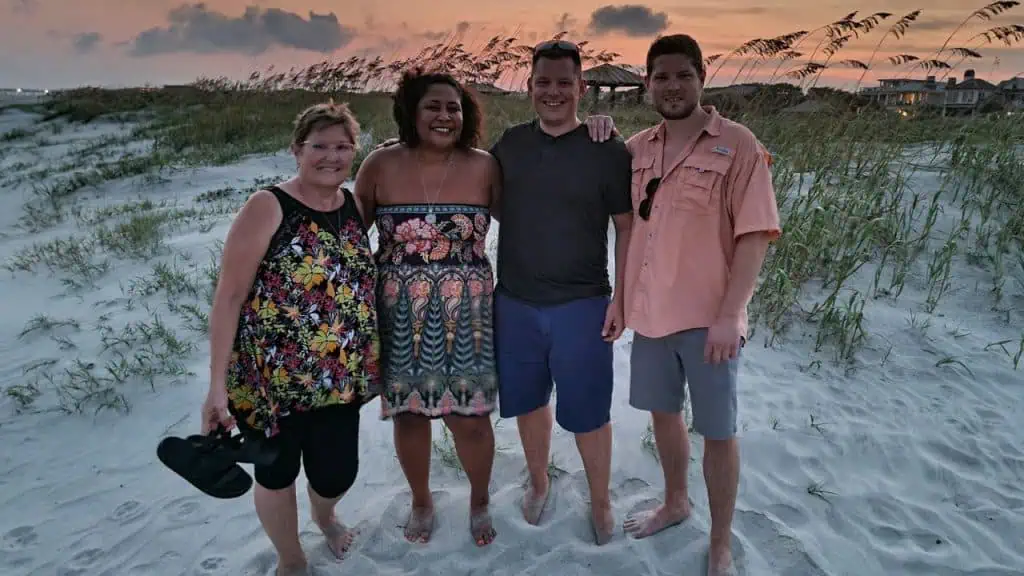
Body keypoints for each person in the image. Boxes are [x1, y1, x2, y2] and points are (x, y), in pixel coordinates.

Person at [619, 34, 781, 576]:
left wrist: (731, 314)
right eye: (660, 76)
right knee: (664, 417)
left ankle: (719, 541)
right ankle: (674, 501)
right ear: (647, 83)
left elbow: (754, 235)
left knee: (717, 429)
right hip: (652, 316)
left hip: (711, 318)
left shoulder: (737, 144)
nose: (671, 86)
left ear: (701, 78)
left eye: (682, 75)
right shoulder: (637, 148)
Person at [201, 102, 380, 576]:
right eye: (319, 146)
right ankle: (291, 559)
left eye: (343, 146)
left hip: (338, 376)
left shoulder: (355, 206)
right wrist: (217, 386)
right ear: (297, 148)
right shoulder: (268, 205)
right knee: (277, 473)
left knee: (337, 472)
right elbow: (230, 296)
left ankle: (325, 517)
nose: (332, 156)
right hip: (269, 380)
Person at [488, 39, 633, 546]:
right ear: (529, 86)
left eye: (564, 83)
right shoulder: (508, 145)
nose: (553, 92)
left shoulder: (607, 150)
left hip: (583, 302)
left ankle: (600, 499)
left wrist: (622, 296)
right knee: (529, 403)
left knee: (590, 412)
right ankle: (538, 480)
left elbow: (626, 226)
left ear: (582, 88)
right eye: (543, 82)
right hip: (516, 302)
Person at [353, 69, 500, 547]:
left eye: (453, 107)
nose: (444, 116)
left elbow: (529, 221)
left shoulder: (484, 166)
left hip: (468, 316)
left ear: (466, 115)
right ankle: (421, 499)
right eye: (432, 107)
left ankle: (479, 499)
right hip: (398, 314)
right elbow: (350, 241)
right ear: (412, 113)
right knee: (410, 416)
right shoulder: (379, 165)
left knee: (470, 419)